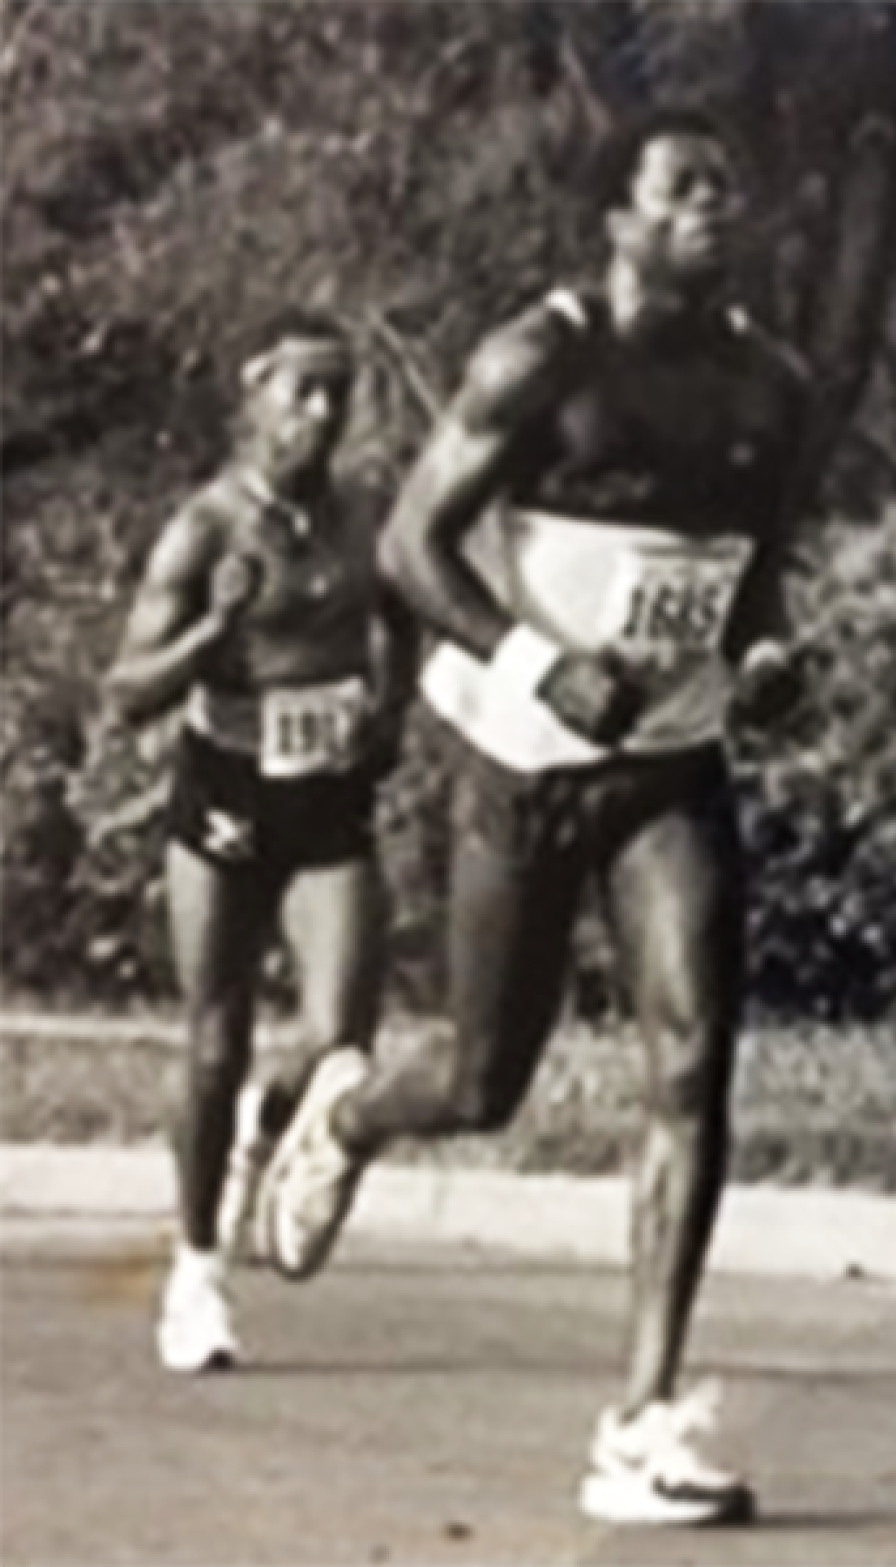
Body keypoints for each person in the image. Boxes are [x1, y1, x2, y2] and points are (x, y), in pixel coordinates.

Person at [260, 109, 810, 1525]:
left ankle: (638, 1416)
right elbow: (410, 547)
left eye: (724, 186)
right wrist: (541, 659)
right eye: (682, 188)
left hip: (669, 768)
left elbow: (752, 579)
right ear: (616, 219)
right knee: (481, 1078)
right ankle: (356, 1106)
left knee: (692, 1064)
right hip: (517, 754)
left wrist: (760, 660)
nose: (714, 209)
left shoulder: (768, 383)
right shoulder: (539, 359)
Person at [103, 309, 418, 1375]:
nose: (324, 414)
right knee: (213, 1035)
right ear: (256, 399)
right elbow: (126, 691)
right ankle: (197, 1272)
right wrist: (210, 634)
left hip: (327, 793)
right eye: (304, 392)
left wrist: (391, 712)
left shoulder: (364, 514)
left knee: (339, 1043)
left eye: (341, 392)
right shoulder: (203, 528)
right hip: (227, 792)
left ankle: (262, 1125)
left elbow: (403, 611)